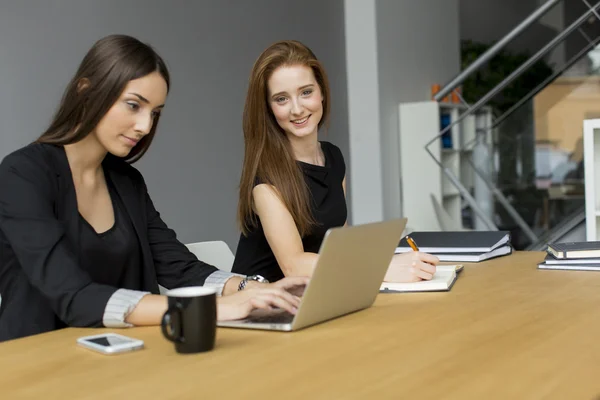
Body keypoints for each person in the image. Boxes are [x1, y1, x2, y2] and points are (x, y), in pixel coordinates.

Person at [0, 34, 306, 342]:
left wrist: (252, 289)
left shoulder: (127, 181)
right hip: (37, 365)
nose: (145, 126)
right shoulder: (22, 175)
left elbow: (180, 267)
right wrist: (212, 308)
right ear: (86, 91)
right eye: (134, 105)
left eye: (154, 113)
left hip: (126, 357)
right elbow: (73, 296)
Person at [232, 40, 439, 282]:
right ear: (268, 109)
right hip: (264, 306)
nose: (297, 109)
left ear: (322, 93)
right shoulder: (266, 182)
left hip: (316, 294)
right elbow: (294, 266)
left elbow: (337, 242)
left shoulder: (332, 157)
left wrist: (388, 258)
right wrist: (382, 268)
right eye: (281, 99)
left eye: (306, 92)